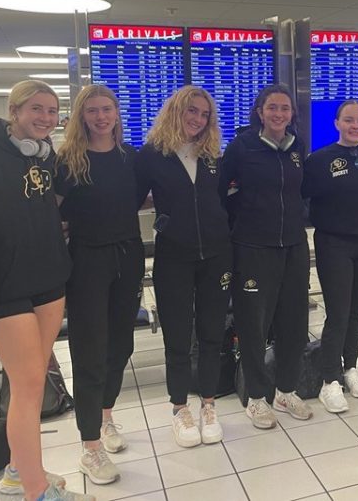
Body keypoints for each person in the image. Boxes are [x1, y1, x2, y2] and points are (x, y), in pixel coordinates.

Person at [0, 80, 89, 501]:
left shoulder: (46, 156)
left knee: (28, 382)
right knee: (29, 385)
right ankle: (36, 491)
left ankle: (17, 469)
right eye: (37, 109)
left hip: (47, 280)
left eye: (52, 111)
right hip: (4, 289)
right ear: (14, 111)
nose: (46, 118)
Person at [54, 85, 144, 485]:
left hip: (127, 256)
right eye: (92, 110)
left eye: (107, 109)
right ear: (81, 115)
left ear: (116, 113)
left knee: (121, 344)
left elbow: (138, 200)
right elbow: (50, 211)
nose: (101, 116)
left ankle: (106, 418)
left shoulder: (131, 159)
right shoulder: (68, 161)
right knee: (89, 351)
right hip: (87, 261)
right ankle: (89, 446)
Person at [135, 86, 233, 447]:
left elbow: (221, 201)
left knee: (210, 334)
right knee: (177, 338)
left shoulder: (213, 156)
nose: (197, 119)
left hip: (217, 256)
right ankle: (180, 408)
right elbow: (129, 199)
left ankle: (209, 404)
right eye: (191, 111)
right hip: (173, 257)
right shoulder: (152, 155)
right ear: (175, 111)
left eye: (204, 114)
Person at [219, 84, 313, 429]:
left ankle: (286, 389)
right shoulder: (242, 146)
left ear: (292, 114)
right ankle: (257, 396)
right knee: (254, 325)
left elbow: (301, 192)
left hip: (293, 246)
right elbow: (221, 192)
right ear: (260, 111)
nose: (278, 114)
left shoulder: (297, 146)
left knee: (293, 322)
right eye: (272, 108)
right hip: (253, 248)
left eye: (285, 109)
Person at [302, 100, 358, 414]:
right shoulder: (320, 159)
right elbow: (302, 197)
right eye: (349, 120)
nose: (356, 126)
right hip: (334, 244)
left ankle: (350, 368)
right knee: (338, 312)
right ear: (337, 123)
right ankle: (329, 380)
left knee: (356, 312)